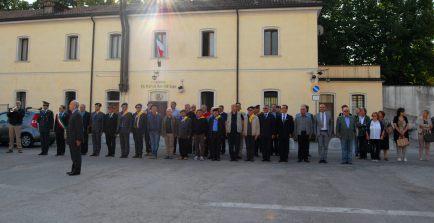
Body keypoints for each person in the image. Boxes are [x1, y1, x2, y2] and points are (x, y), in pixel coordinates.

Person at [66, 100, 83, 176]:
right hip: (72, 138)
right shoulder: (73, 114)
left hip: (75, 139)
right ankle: (73, 169)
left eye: (70, 104)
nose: (69, 106)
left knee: (76, 155)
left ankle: (77, 170)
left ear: (74, 106)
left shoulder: (77, 114)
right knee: (73, 155)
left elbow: (79, 128)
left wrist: (79, 139)